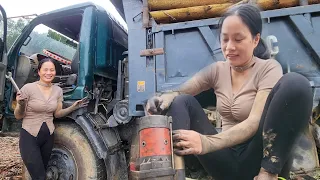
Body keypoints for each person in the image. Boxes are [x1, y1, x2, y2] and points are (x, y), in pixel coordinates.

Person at [146, 4, 313, 180]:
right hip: (226, 162)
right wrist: (165, 97)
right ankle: (174, 174)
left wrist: (206, 142)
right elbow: (181, 91)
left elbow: (253, 123)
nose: (229, 47)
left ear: (255, 40)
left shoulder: (268, 68)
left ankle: (269, 174)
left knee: (296, 84)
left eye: (238, 39)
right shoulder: (217, 70)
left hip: (258, 160)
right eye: (225, 39)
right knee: (181, 101)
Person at [14, 58, 86, 179]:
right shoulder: (28, 88)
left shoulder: (57, 91)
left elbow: (57, 114)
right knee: (39, 176)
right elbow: (18, 115)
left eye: (52, 70)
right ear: (39, 72)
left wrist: (73, 107)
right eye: (45, 70)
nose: (49, 73)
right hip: (29, 136)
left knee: (43, 172)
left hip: (48, 137)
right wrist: (21, 104)